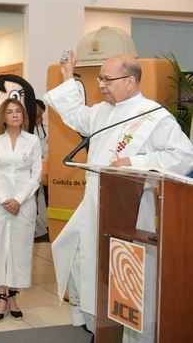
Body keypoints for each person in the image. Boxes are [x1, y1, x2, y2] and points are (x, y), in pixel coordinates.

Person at [44, 52, 193, 341]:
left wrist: (134, 163)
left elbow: (184, 155)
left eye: (107, 79)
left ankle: (130, 335)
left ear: (130, 81)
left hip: (130, 211)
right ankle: (96, 324)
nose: (101, 84)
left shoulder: (153, 116)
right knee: (79, 259)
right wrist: (67, 75)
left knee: (126, 276)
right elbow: (75, 115)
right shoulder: (102, 112)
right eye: (100, 78)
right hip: (95, 205)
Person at [0, 98, 42, 322]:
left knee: (19, 250)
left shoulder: (33, 141)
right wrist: (5, 199)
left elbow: (36, 175)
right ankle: (1, 296)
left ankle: (13, 296)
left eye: (18, 111)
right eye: (10, 112)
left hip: (23, 205)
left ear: (23, 116)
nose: (15, 115)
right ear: (3, 117)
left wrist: (18, 199)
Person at [33, 99, 49, 240]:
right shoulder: (26, 129)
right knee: (33, 197)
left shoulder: (48, 129)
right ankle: (34, 226)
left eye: (37, 107)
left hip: (47, 166)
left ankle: (49, 225)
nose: (34, 110)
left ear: (43, 110)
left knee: (49, 197)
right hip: (32, 167)